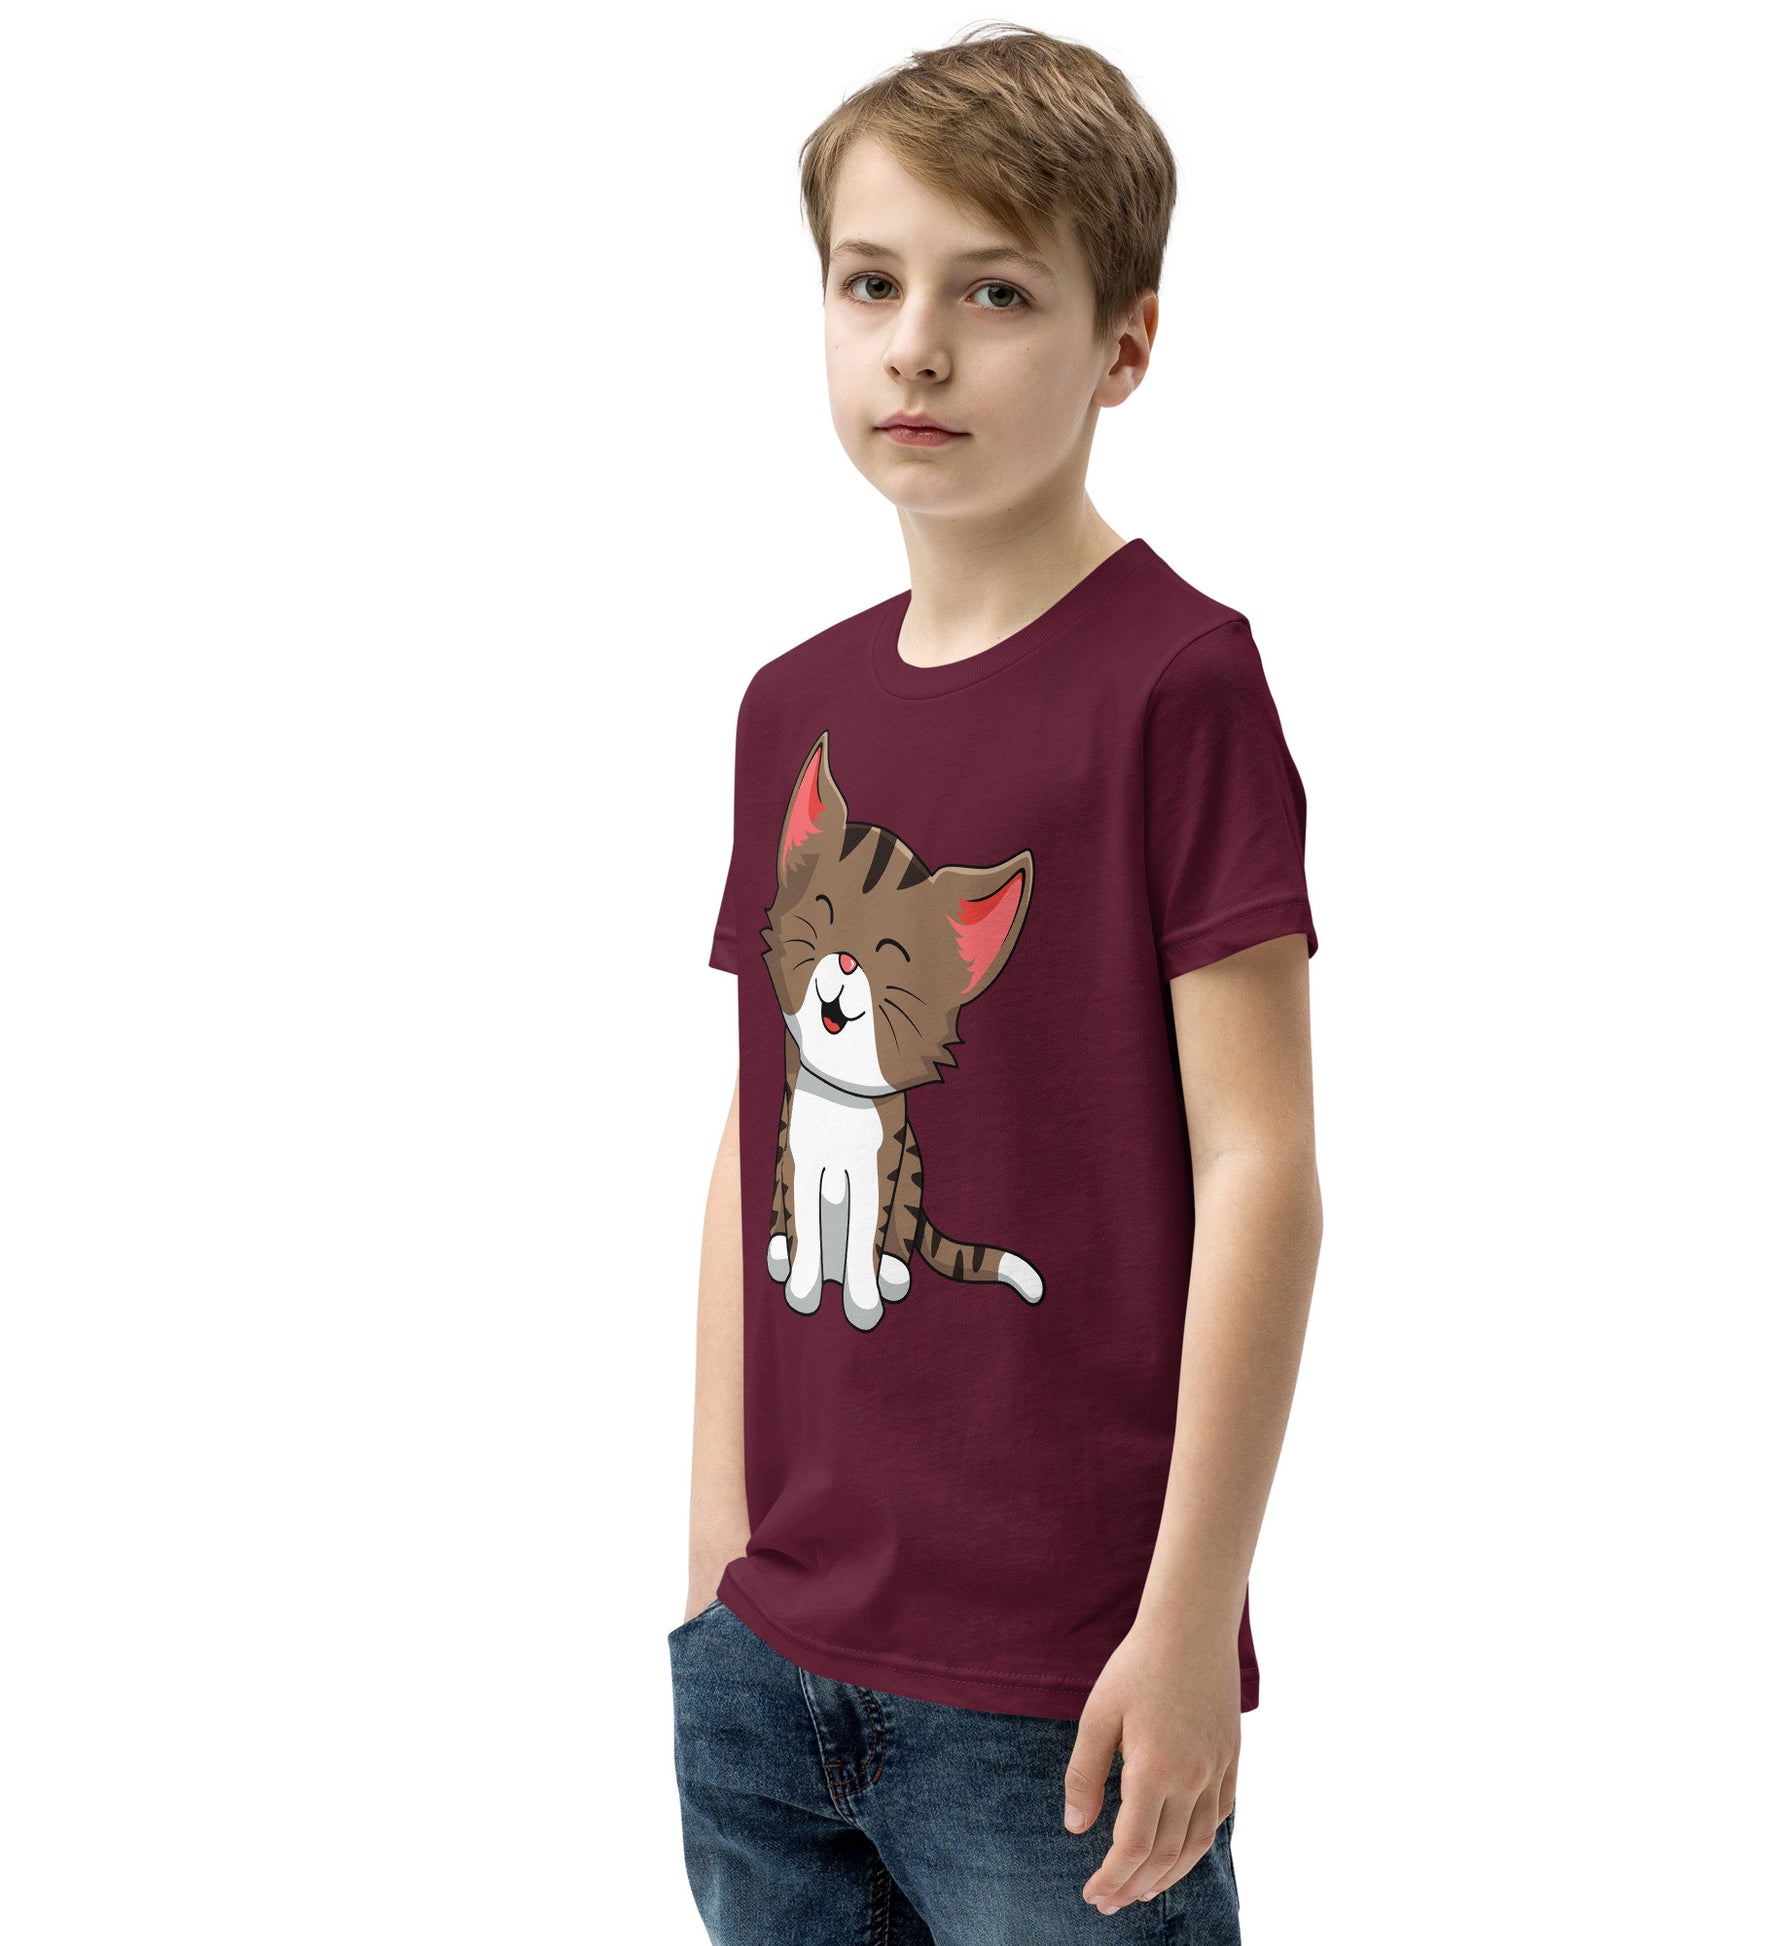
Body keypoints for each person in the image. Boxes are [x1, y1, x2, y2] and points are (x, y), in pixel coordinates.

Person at [672, 24, 1322, 1941]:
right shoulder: (789, 707)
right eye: (869, 283)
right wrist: (715, 1567)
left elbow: (1265, 1170)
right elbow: (755, 1129)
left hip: (1056, 1690)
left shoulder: (1175, 682)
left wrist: (1187, 1624)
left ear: (1125, 344)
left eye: (995, 293)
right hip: (770, 1665)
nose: (916, 349)